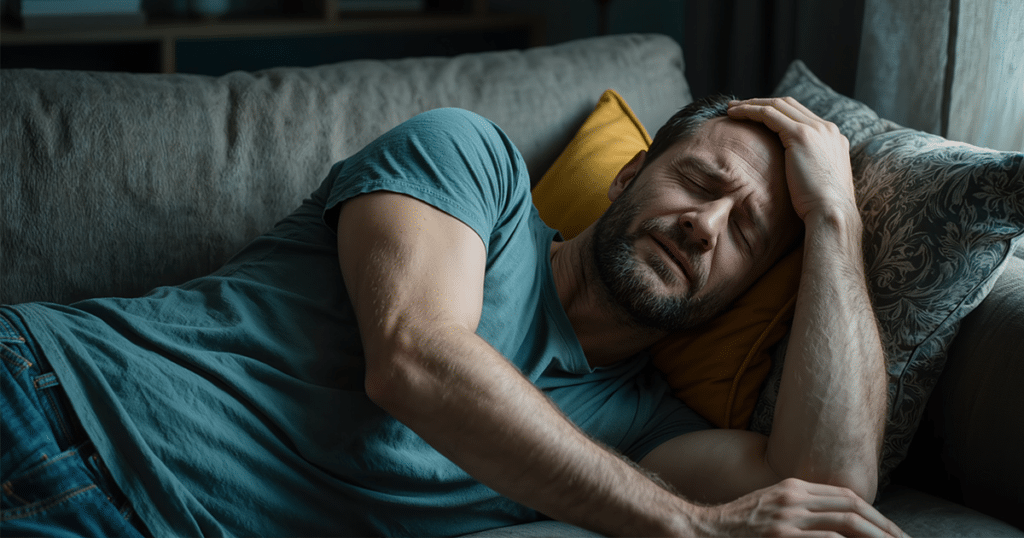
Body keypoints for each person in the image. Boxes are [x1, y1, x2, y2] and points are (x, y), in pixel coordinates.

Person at [0, 94, 905, 537]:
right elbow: (415, 358)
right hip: (52, 404)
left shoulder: (644, 431)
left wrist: (837, 219)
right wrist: (690, 527)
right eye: (699, 183)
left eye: (744, 231)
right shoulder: (476, 168)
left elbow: (833, 487)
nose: (704, 226)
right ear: (631, 174)